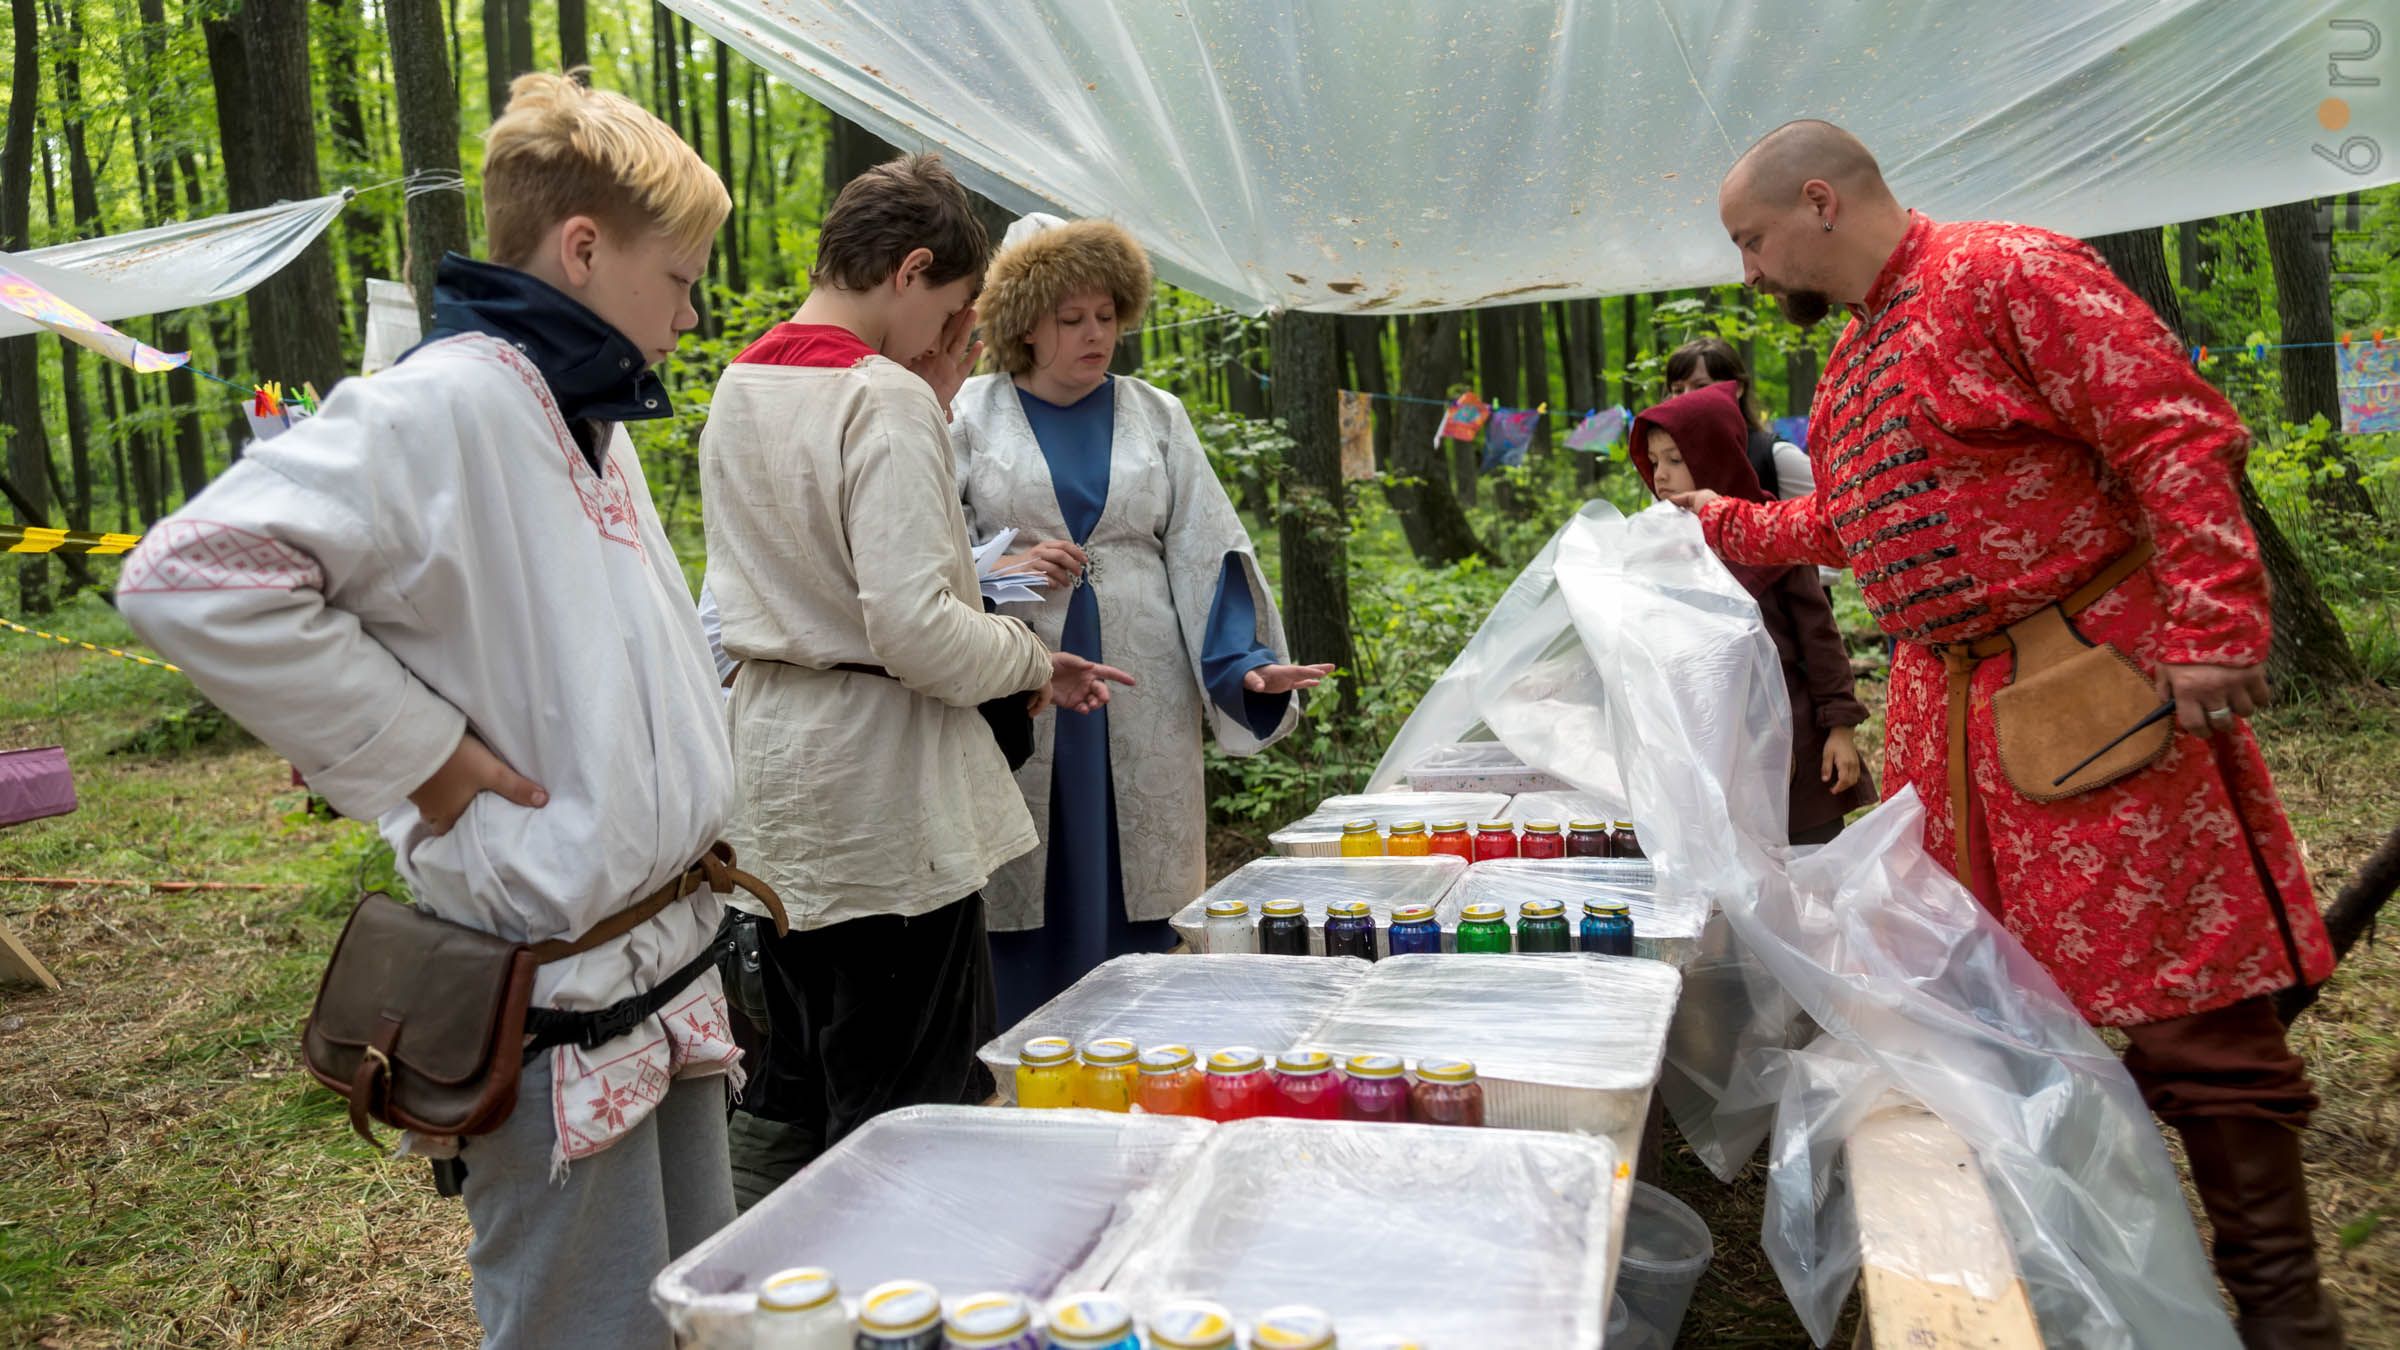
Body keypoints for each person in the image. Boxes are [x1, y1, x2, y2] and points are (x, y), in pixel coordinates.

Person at [1682, 118, 2342, 1348]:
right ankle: (2072, 1284)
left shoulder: (2009, 273)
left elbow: (2170, 428)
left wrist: (2213, 617)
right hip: (1953, 736)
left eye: (1751, 240)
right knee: (1994, 1014)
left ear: (1819, 202)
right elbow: (1851, 524)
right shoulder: (1854, 359)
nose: (1749, 271)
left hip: (2090, 694)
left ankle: (2286, 1321)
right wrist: (1716, 522)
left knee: (2197, 1018)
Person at [117, 74, 750, 1349]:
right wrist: (425, 756)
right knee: (586, 1329)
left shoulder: (588, 414)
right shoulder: (444, 403)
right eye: (679, 278)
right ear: (584, 248)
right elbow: (187, 577)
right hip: (561, 994)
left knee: (695, 1313)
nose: (690, 313)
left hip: (668, 961)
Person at [700, 157, 1133, 1207]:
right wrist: (1027, 657)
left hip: (773, 771)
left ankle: (771, 1271)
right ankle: (891, 1275)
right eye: (948, 309)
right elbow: (916, 630)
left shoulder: (741, 382)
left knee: (794, 1072)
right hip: (880, 795)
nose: (947, 335)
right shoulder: (881, 395)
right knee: (908, 1100)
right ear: (911, 270)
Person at [950, 214, 1333, 1025]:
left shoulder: (1156, 414)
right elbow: (924, 544)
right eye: (1071, 318)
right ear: (1025, 325)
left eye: (1107, 314)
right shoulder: (967, 412)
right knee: (1023, 871)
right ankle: (1026, 1046)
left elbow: (1205, 548)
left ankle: (1145, 1039)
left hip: (1143, 684)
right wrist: (999, 565)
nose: (1097, 334)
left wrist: (1242, 664)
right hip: (1021, 677)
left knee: (1140, 865)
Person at [1631, 381, 1875, 846]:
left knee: (1805, 858)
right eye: (1654, 461)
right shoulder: (1663, 548)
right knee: (1731, 854)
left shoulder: (1765, 533)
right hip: (1712, 739)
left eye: (1675, 459)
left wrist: (1840, 729)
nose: (1660, 475)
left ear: (1714, 455)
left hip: (1795, 736)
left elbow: (1821, 641)